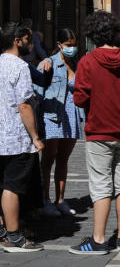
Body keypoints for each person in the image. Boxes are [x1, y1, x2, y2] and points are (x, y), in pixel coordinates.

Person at [71, 11, 120, 255]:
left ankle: (99, 239)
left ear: (92, 34)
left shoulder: (88, 61)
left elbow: (80, 98)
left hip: (99, 131)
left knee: (101, 186)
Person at [0, 22, 45, 253]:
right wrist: (35, 136)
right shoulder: (19, 66)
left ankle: (2, 230)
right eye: (28, 40)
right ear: (17, 41)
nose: (31, 44)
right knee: (12, 186)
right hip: (15, 137)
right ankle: (14, 236)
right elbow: (24, 105)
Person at [39, 28, 83, 217]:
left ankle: (60, 199)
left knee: (63, 160)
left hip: (71, 115)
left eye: (74, 45)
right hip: (52, 116)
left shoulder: (79, 64)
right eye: (68, 45)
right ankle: (44, 200)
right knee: (48, 159)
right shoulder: (49, 63)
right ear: (59, 45)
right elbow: (37, 92)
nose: (71, 48)